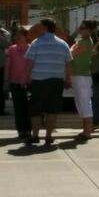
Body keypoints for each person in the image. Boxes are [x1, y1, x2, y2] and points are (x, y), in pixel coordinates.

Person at [25, 18, 73, 146]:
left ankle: (35, 135)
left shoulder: (36, 43)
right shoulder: (63, 44)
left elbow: (30, 63)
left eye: (40, 27)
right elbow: (68, 64)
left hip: (38, 81)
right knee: (52, 109)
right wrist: (68, 79)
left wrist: (26, 77)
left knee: (35, 110)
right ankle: (48, 136)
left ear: (45, 28)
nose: (38, 29)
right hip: (56, 81)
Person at [5, 26, 32, 141]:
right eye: (16, 36)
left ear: (26, 37)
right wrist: (6, 80)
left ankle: (28, 129)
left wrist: (27, 79)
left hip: (29, 83)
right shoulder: (11, 49)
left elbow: (32, 66)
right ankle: (21, 130)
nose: (17, 38)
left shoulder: (32, 49)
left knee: (29, 108)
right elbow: (7, 66)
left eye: (19, 36)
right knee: (18, 107)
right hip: (15, 82)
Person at [70, 20, 95, 140]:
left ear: (90, 30)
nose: (80, 29)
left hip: (82, 75)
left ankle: (88, 131)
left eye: (83, 28)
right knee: (80, 102)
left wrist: (72, 46)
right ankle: (85, 130)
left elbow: (70, 54)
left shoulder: (85, 42)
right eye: (80, 27)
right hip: (78, 74)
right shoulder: (82, 41)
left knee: (84, 102)